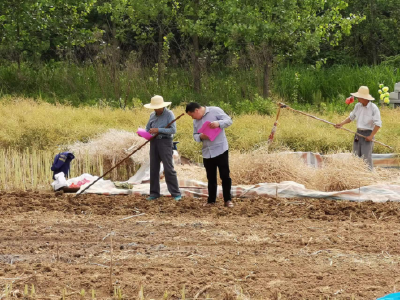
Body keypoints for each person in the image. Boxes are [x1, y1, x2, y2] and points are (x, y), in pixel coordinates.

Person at [185, 102, 234, 207]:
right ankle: (211, 201)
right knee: (211, 178)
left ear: (197, 110)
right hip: (207, 152)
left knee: (225, 176)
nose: (192, 118)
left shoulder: (215, 110)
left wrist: (218, 123)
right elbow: (195, 135)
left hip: (220, 149)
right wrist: (201, 137)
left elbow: (229, 120)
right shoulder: (195, 122)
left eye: (192, 115)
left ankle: (227, 200)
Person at [334, 86, 382, 169]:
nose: (358, 98)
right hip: (358, 133)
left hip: (368, 134)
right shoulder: (358, 106)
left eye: (359, 96)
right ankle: (357, 173)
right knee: (356, 155)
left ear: (365, 98)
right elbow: (351, 117)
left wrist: (371, 136)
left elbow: (378, 124)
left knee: (366, 156)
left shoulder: (373, 108)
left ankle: (368, 174)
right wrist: (341, 124)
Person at [145, 95, 181, 201]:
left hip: (165, 142)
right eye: (154, 107)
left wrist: (158, 130)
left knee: (168, 168)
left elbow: (173, 130)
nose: (156, 109)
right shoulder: (152, 115)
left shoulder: (169, 114)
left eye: (157, 107)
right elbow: (148, 128)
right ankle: (154, 193)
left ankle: (176, 193)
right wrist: (145, 133)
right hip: (153, 142)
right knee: (154, 168)